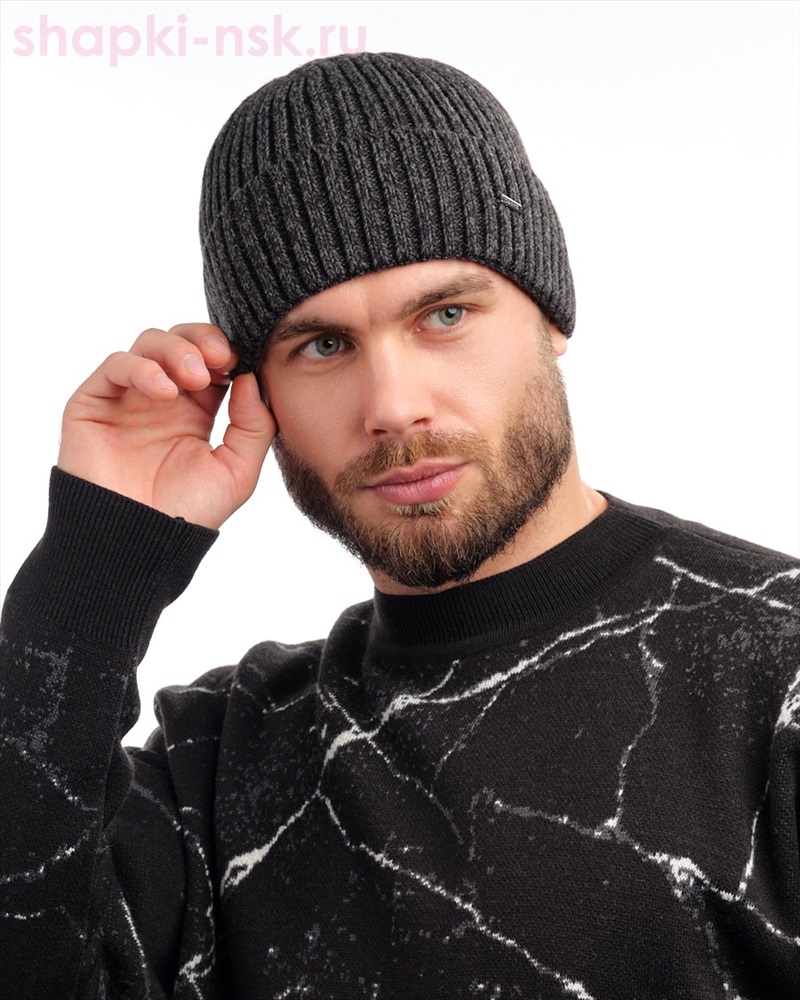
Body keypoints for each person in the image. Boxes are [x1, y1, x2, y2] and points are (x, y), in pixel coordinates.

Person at [1, 51, 797, 1000]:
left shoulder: (777, 670)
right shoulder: (218, 766)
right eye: (322, 344)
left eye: (445, 315)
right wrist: (95, 568)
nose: (391, 405)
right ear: (255, 393)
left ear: (550, 319)